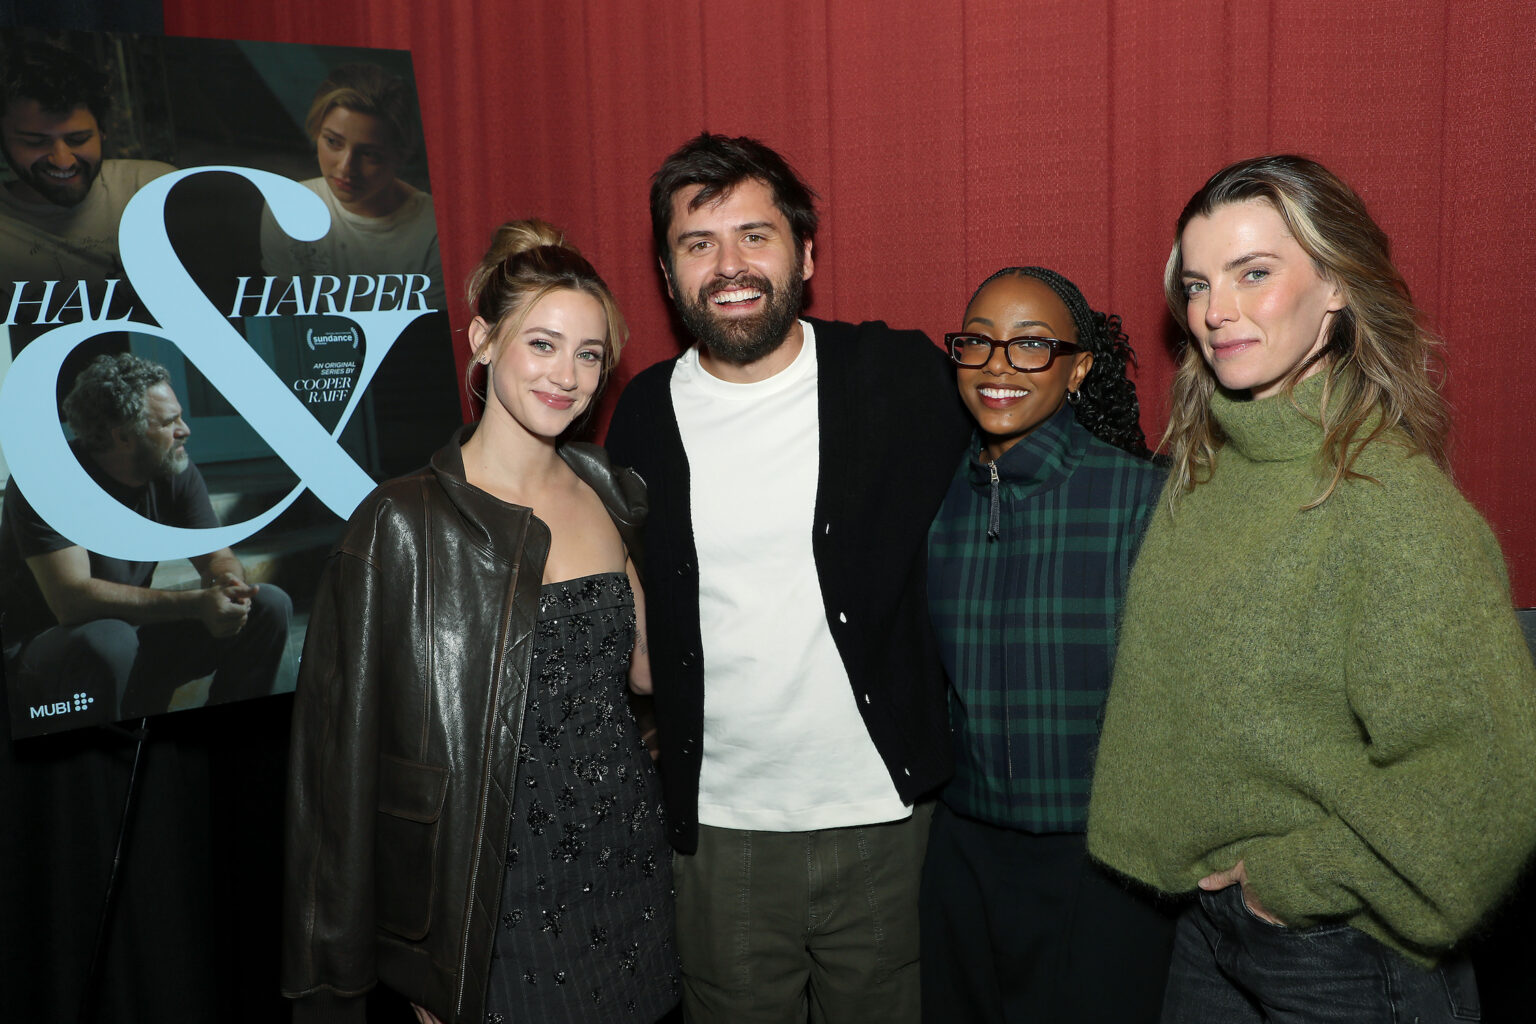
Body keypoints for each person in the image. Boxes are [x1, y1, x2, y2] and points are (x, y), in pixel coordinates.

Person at [1086, 155, 1536, 1022]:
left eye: (1254, 273)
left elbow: (1488, 788)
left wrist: (1294, 881)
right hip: (1209, 929)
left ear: (1335, 285)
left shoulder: (1392, 504)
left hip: (1342, 949)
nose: (1215, 311)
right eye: (1197, 284)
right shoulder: (1209, 475)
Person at [604, 133, 970, 1023]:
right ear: (668, 274)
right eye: (699, 244)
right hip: (719, 831)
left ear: (805, 254)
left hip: (882, 818)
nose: (729, 266)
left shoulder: (899, 376)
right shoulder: (643, 413)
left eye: (754, 236)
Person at [283, 219, 679, 1023]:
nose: (566, 375)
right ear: (484, 341)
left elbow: (646, 673)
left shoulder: (608, 490)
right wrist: (403, 963)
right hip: (491, 892)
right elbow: (336, 771)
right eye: (542, 344)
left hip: (628, 863)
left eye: (590, 354)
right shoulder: (401, 524)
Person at [921, 266, 1172, 1022]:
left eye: (1031, 345)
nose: (997, 366)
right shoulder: (933, 498)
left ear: (1079, 368)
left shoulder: (1143, 497)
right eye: (978, 343)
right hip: (964, 857)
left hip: (1101, 866)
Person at [0, 352, 292, 724]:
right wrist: (195, 604)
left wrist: (227, 585)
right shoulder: (49, 481)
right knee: (108, 639)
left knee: (267, 604)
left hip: (130, 636)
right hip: (49, 655)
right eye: (170, 422)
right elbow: (71, 601)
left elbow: (217, 557)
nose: (185, 429)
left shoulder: (172, 467)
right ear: (122, 436)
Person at [259, 62, 446, 310]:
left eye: (369, 154)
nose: (346, 167)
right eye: (333, 142)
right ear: (316, 133)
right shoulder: (287, 206)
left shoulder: (435, 230)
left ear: (401, 155)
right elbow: (283, 314)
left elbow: (433, 330)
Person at [0, 39, 174, 286]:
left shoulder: (153, 189)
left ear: (102, 132)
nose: (63, 161)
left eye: (78, 139)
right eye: (35, 142)